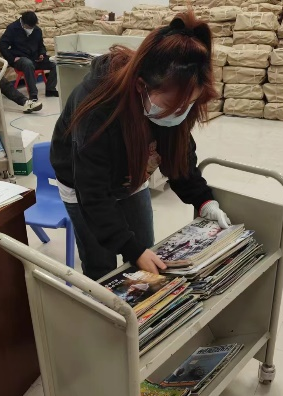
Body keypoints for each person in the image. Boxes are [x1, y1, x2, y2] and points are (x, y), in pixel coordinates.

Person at [50, 11, 231, 281]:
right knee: (102, 266)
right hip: (82, 187)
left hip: (131, 176)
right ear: (140, 86)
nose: (180, 114)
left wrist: (204, 200)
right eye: (172, 106)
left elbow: (179, 157)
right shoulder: (98, 108)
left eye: (188, 105)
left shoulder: (170, 100)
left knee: (147, 249)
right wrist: (131, 249)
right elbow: (93, 193)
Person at [0, 11, 58, 112]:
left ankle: (50, 89)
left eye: (33, 26)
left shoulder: (37, 30)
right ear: (23, 23)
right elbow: (1, 45)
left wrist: (42, 54)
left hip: (35, 58)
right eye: (29, 27)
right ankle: (33, 95)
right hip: (20, 59)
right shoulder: (12, 29)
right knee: (28, 64)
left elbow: (41, 46)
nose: (31, 29)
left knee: (55, 62)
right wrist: (11, 58)